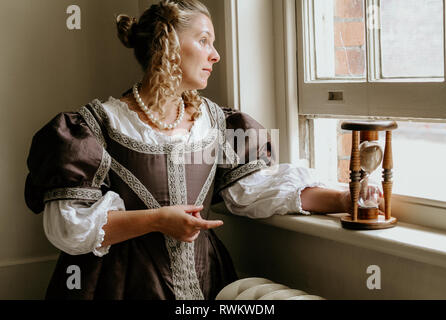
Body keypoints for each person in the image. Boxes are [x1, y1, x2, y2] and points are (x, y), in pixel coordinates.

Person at [24, 0, 354, 300]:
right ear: (167, 46)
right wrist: (156, 220)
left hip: (207, 281)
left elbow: (255, 191)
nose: (215, 55)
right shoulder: (92, 127)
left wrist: (344, 200)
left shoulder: (219, 123)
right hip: (119, 286)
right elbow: (69, 229)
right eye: (204, 40)